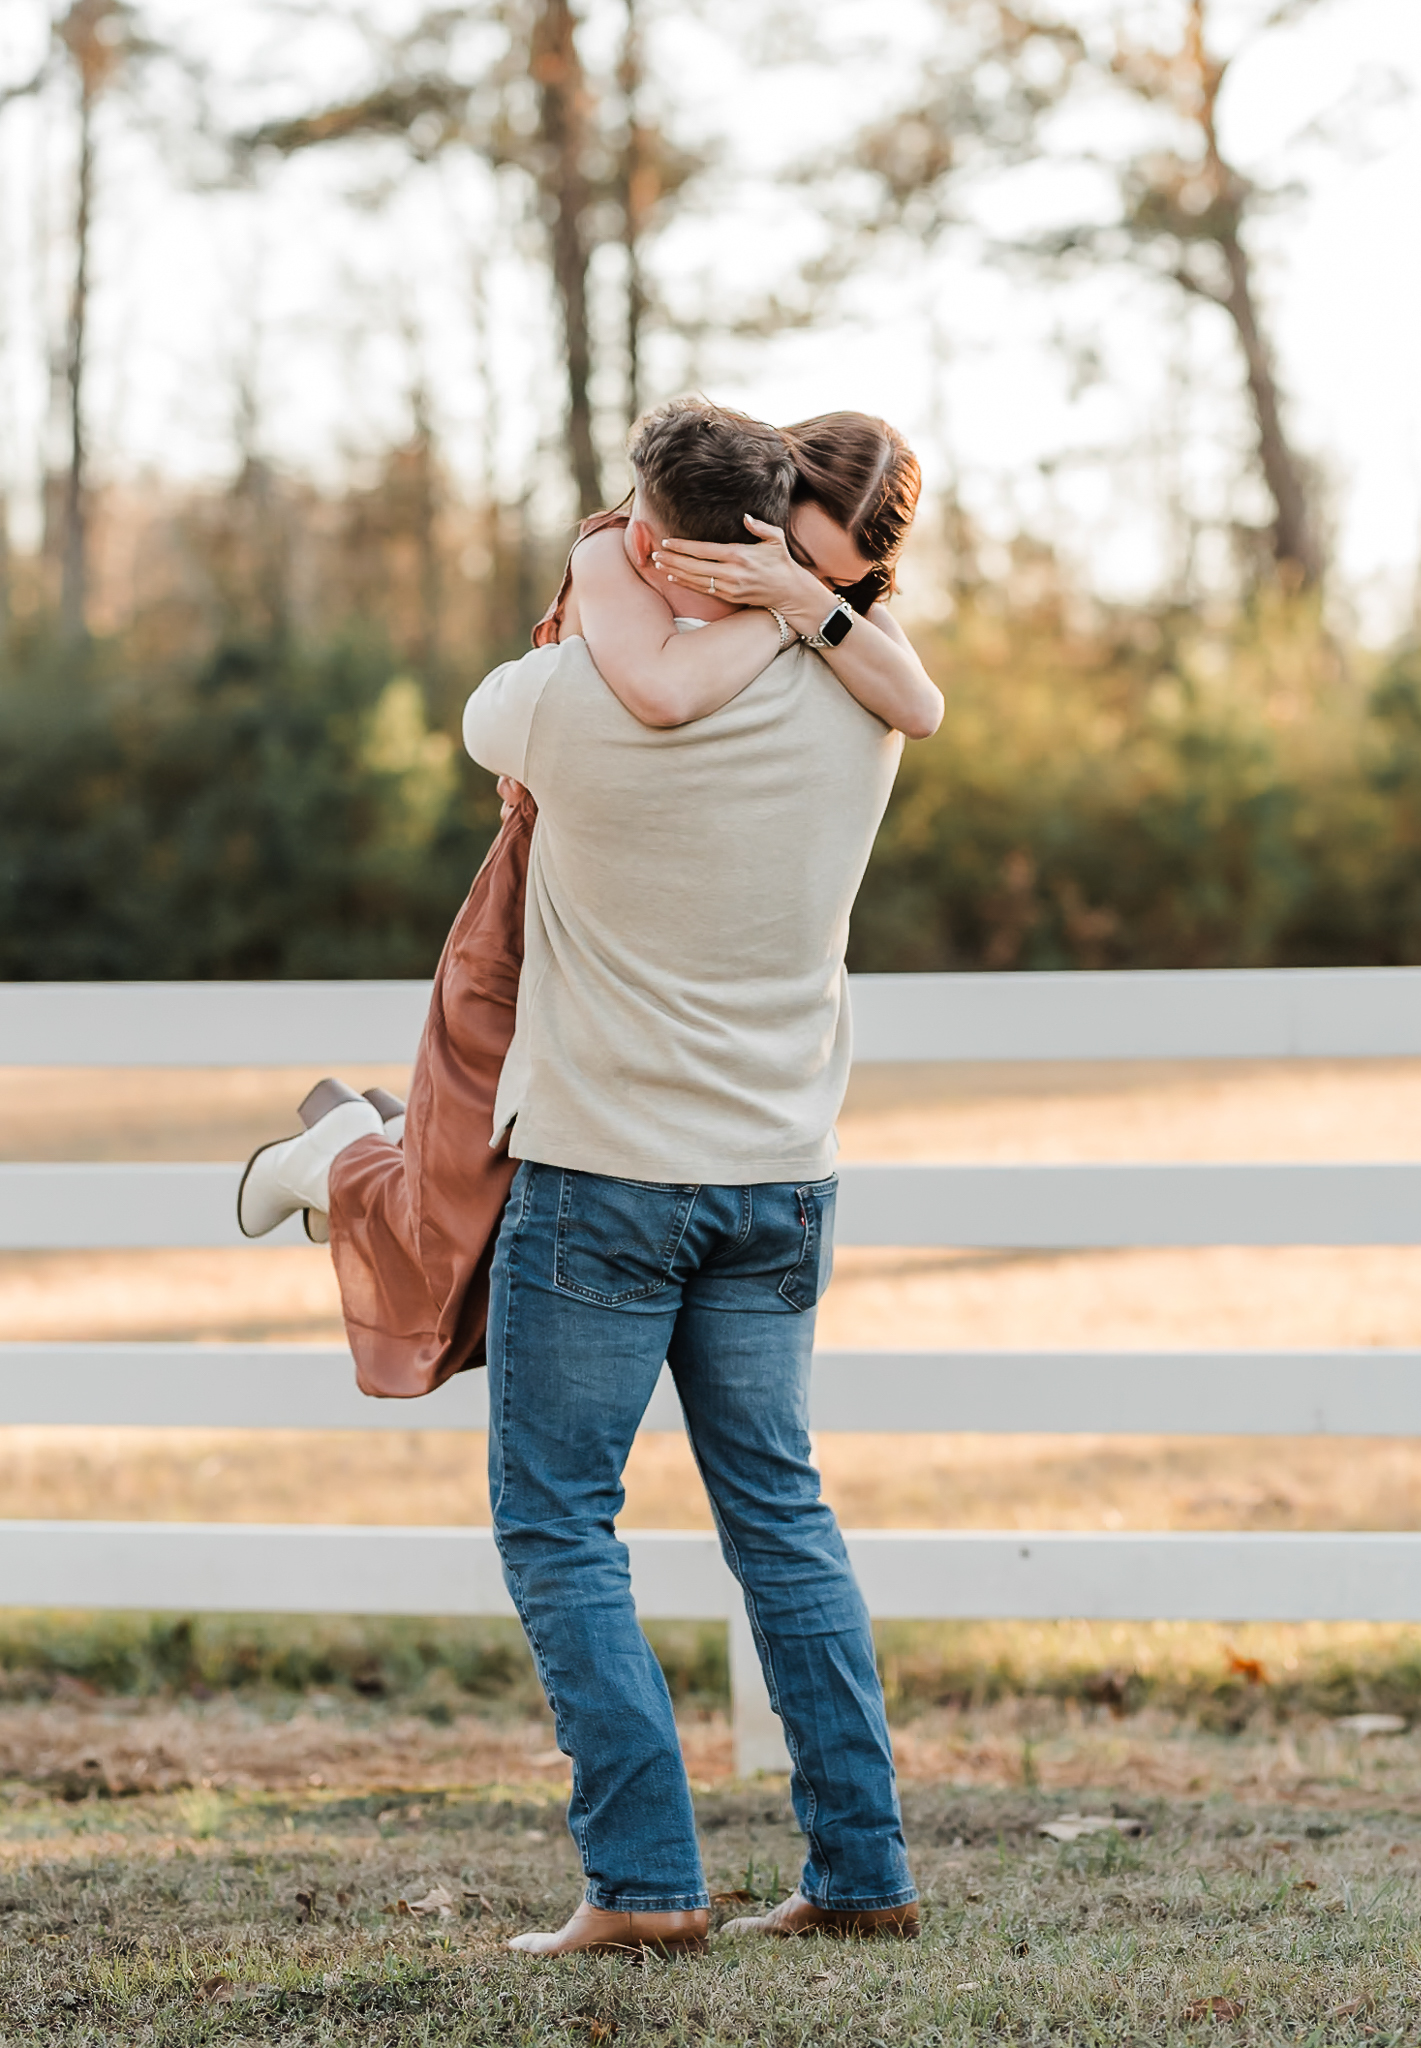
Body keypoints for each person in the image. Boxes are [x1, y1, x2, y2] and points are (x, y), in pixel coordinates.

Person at [446, 397, 940, 1959]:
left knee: (558, 1522)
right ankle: (860, 1869)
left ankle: (646, 1884)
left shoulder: (558, 702)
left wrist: (613, 568)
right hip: (777, 1176)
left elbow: (484, 716)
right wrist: (802, 612)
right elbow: (882, 670)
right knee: (781, 1519)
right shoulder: (862, 709)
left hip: (603, 1173)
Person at [236, 404, 939, 1411]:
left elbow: (919, 707)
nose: (817, 589)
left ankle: (354, 1148)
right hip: (544, 895)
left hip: (640, 945)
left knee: (467, 1200)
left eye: (841, 581)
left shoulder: (825, 604)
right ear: (762, 511)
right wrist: (788, 613)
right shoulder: (623, 552)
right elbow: (656, 691)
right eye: (795, 556)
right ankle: (350, 1153)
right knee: (455, 1206)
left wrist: (799, 597)